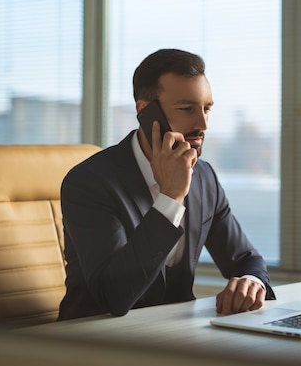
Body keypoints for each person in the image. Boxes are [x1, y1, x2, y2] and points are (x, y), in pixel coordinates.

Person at [58, 48, 275, 321]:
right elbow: (113, 296)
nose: (203, 124)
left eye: (207, 108)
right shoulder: (89, 183)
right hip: (93, 340)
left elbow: (245, 258)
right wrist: (171, 197)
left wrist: (251, 280)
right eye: (187, 109)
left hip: (173, 335)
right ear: (145, 112)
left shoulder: (204, 178)